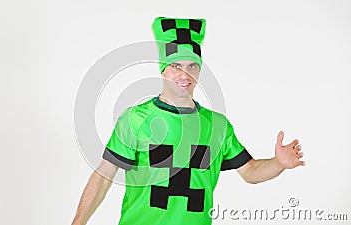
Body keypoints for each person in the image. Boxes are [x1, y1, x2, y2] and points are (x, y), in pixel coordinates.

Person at [71, 17, 305, 225]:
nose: (185, 75)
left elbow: (250, 171)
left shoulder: (217, 125)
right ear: (163, 70)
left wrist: (279, 163)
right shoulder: (135, 119)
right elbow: (104, 176)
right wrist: (78, 222)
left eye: (192, 66)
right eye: (176, 66)